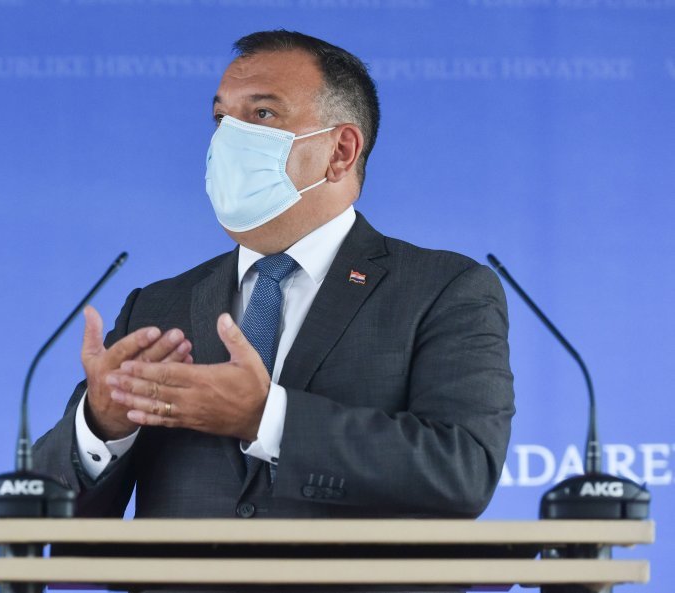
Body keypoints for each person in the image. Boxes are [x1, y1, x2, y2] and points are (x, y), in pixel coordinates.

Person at [33, 30, 514, 519]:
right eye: (221, 119)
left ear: (340, 151)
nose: (228, 139)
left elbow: (463, 469)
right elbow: (42, 508)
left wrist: (268, 419)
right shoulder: (156, 307)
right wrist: (100, 427)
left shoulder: (443, 290)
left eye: (262, 114)